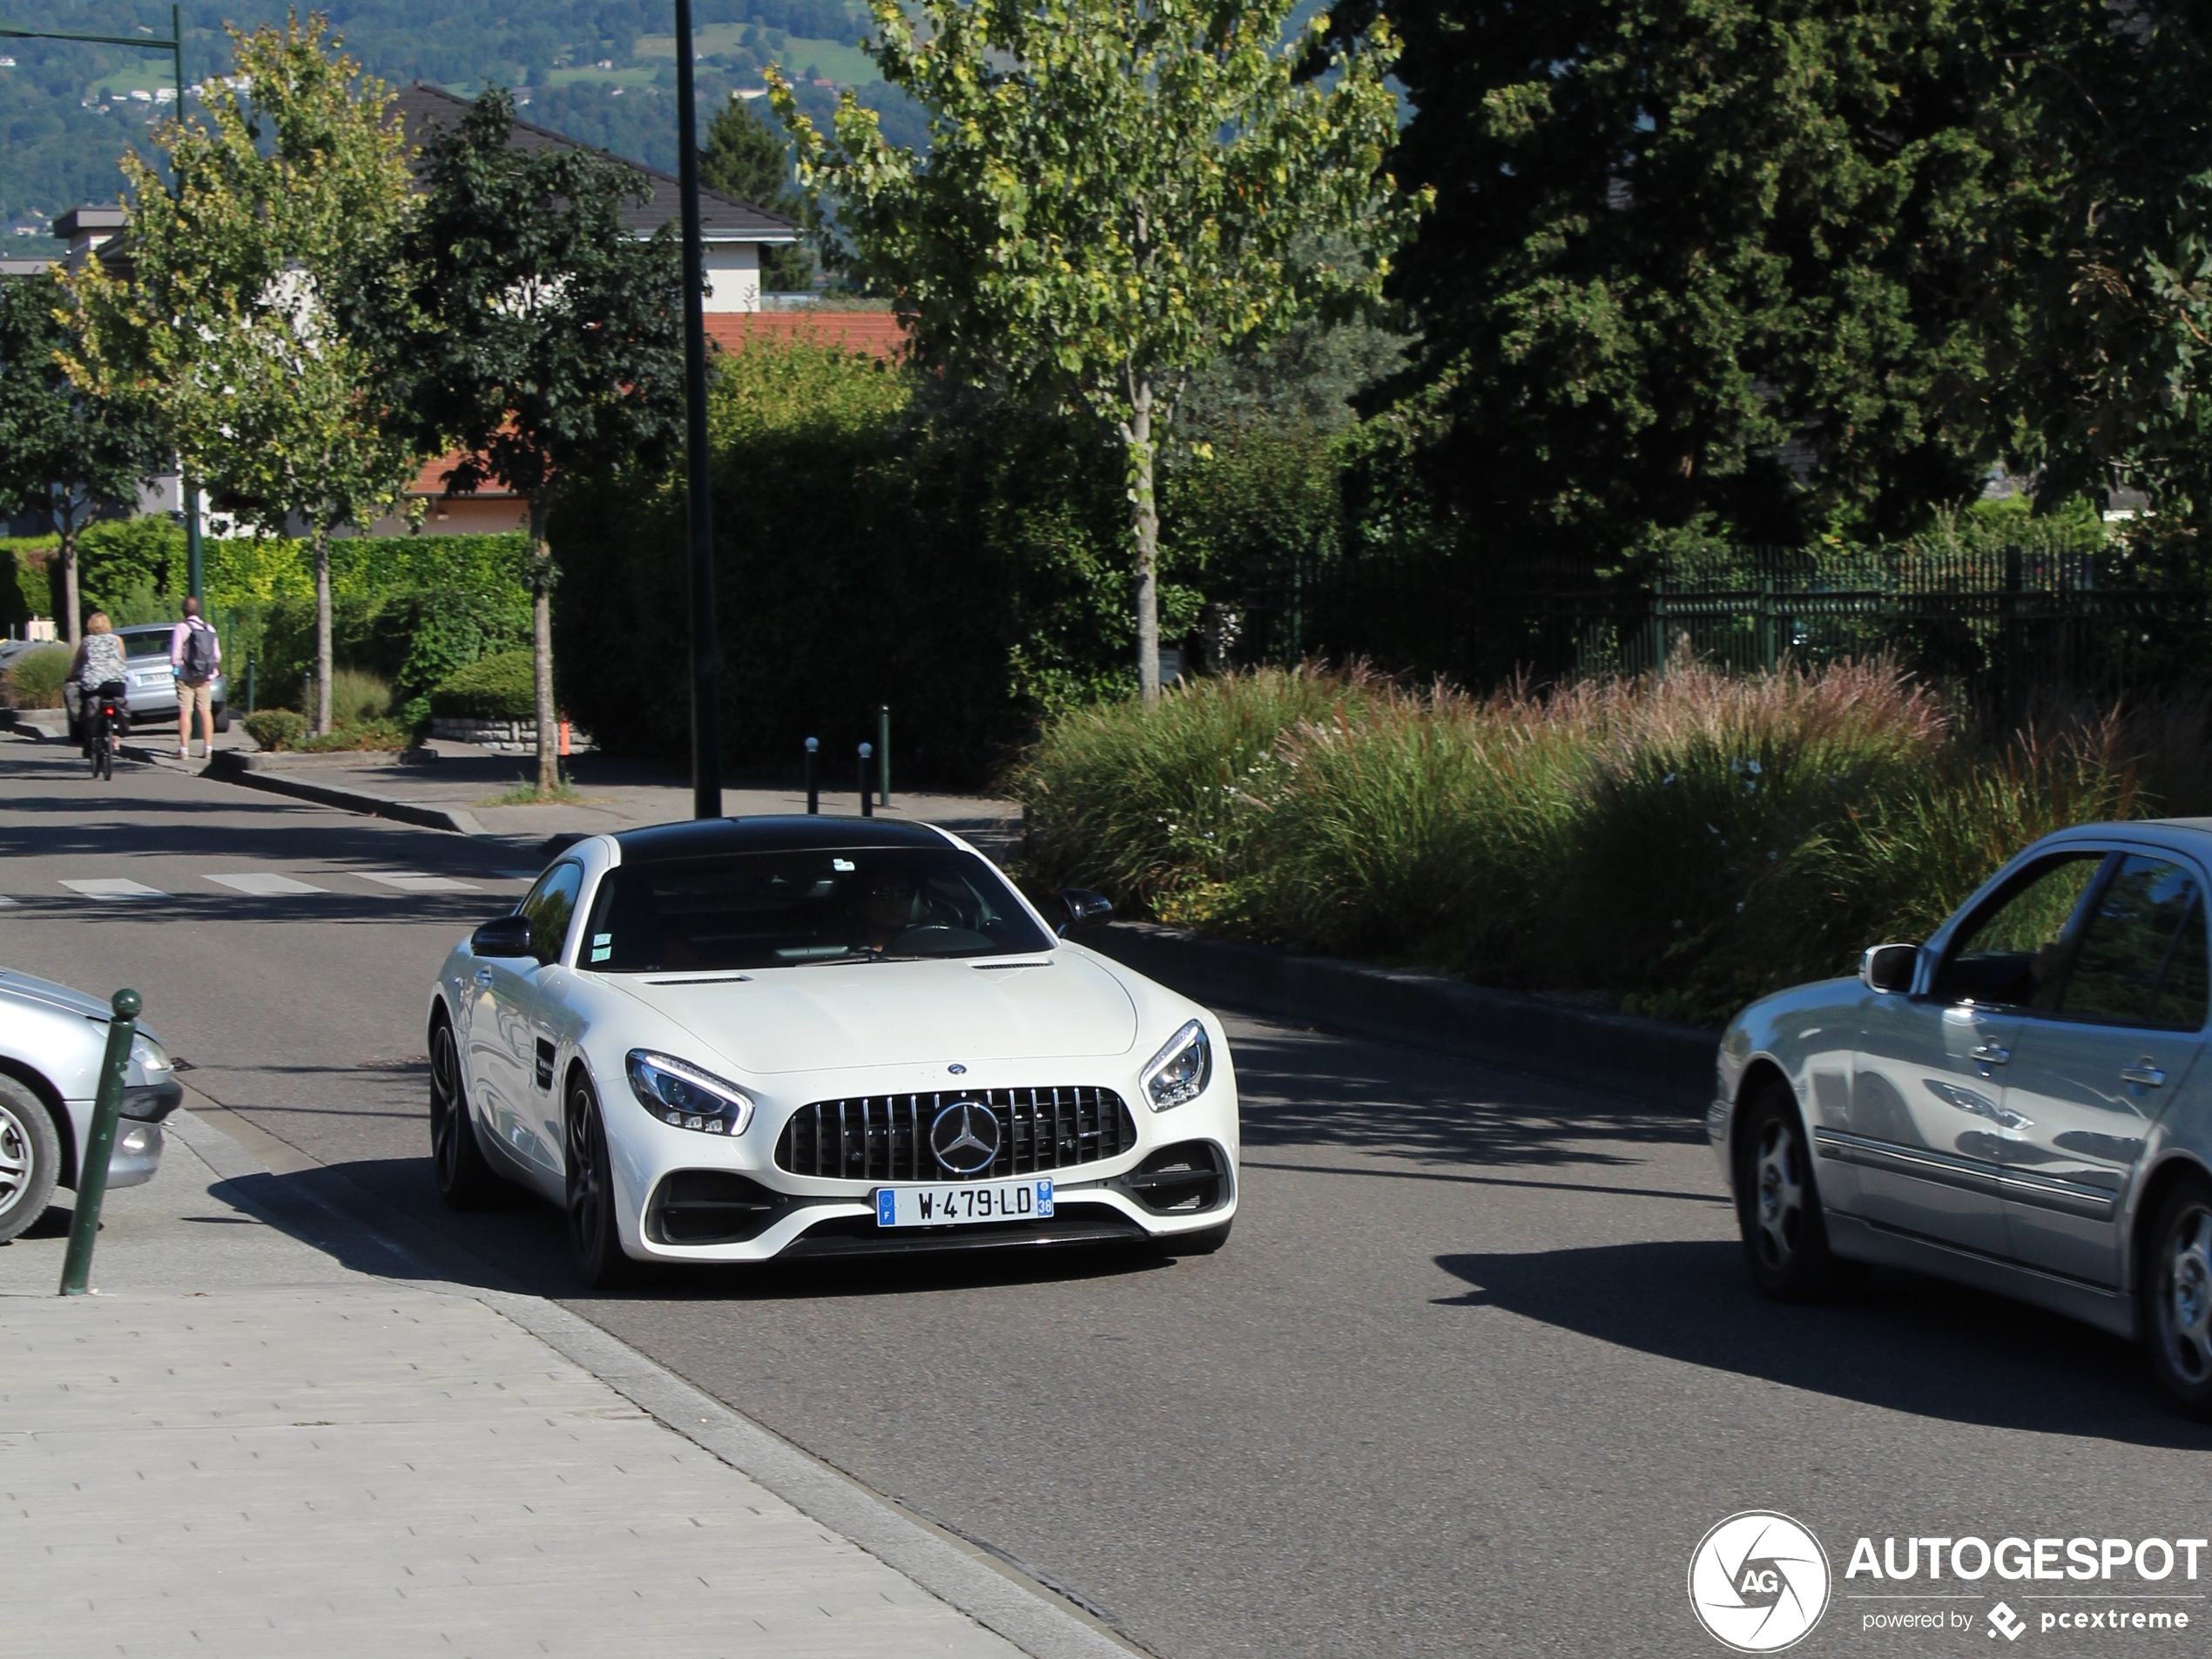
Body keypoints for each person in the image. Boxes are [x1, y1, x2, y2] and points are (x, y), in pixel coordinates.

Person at [170, 597, 222, 760]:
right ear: (198, 610)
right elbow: (217, 656)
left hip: (186, 675)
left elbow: (175, 655)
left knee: (185, 711)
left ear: (184, 610)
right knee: (205, 711)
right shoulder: (210, 629)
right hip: (205, 676)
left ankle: (184, 749)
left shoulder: (181, 627)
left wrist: (178, 669)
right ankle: (208, 748)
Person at [68, 612, 127, 757]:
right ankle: (116, 736)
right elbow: (123, 659)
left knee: (85, 705)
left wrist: (70, 676)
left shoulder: (87, 641)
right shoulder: (117, 640)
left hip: (92, 684)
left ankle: (89, 739)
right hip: (116, 684)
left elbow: (78, 663)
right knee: (116, 702)